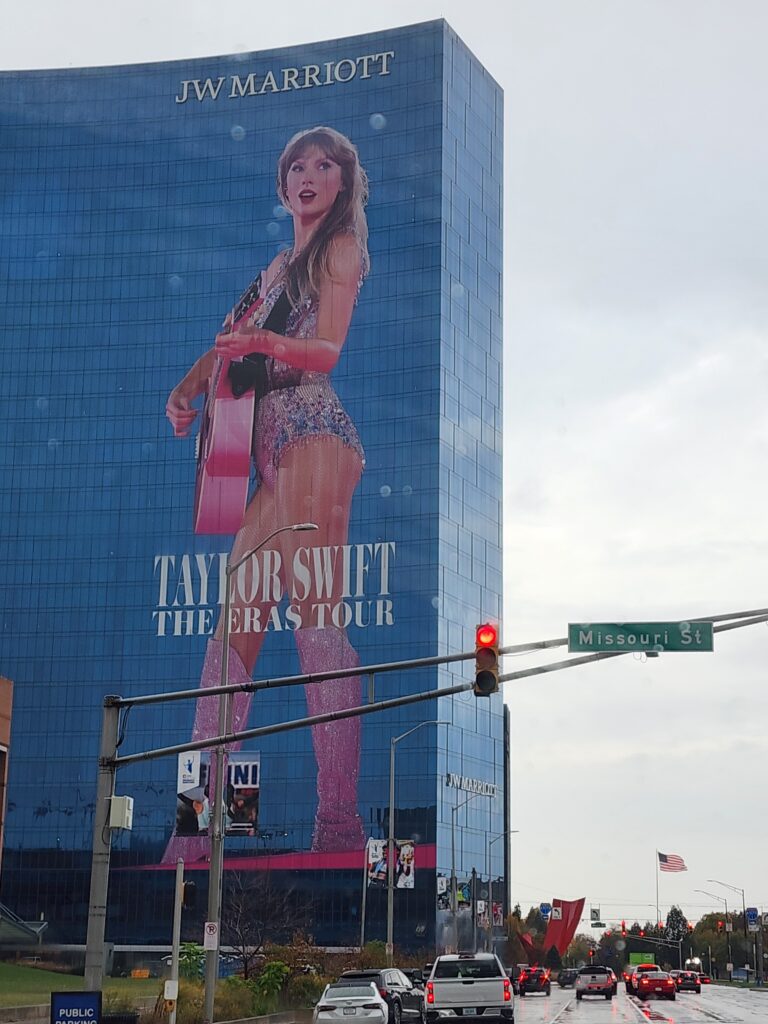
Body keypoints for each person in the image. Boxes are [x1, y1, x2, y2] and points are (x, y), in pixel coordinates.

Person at [163, 126, 370, 862]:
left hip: (314, 432)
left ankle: (339, 827)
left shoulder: (338, 250)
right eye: (297, 167)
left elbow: (328, 349)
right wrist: (187, 391)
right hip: (267, 454)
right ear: (283, 186)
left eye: (324, 165)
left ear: (341, 183)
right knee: (231, 627)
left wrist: (268, 347)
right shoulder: (276, 266)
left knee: (316, 613)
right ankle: (204, 832)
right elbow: (225, 339)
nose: (309, 175)